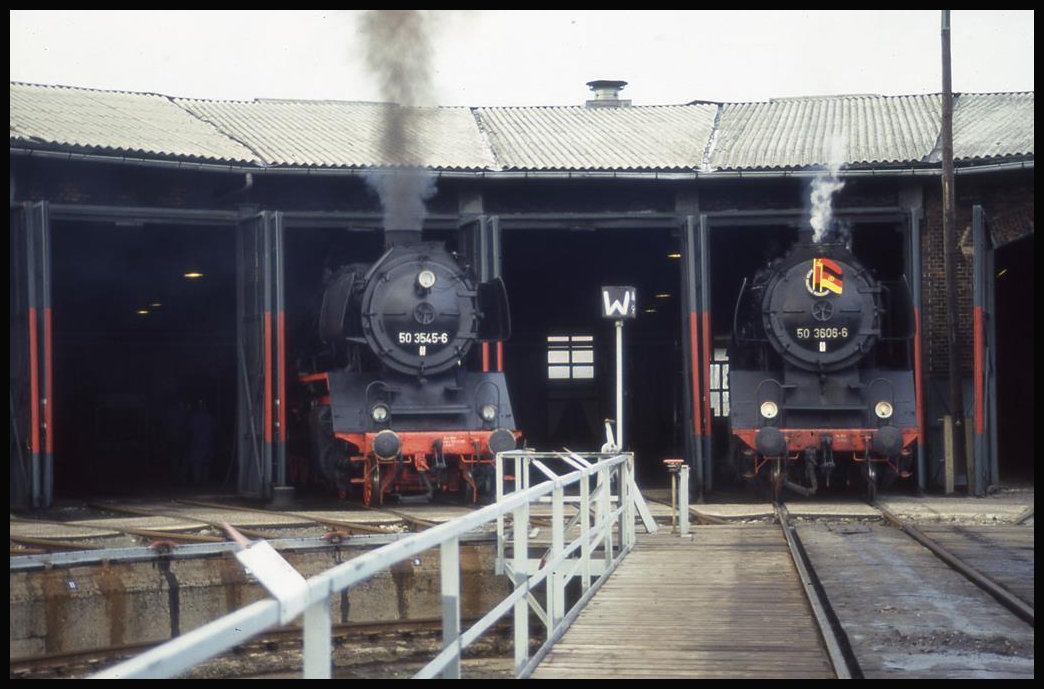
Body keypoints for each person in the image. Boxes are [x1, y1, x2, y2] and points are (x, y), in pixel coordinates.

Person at [186, 399, 215, 486]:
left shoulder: (195, 417)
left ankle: (198, 481)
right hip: (204, 442)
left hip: (198, 442)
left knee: (199, 463)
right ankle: (203, 481)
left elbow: (189, 429)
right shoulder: (208, 417)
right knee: (204, 462)